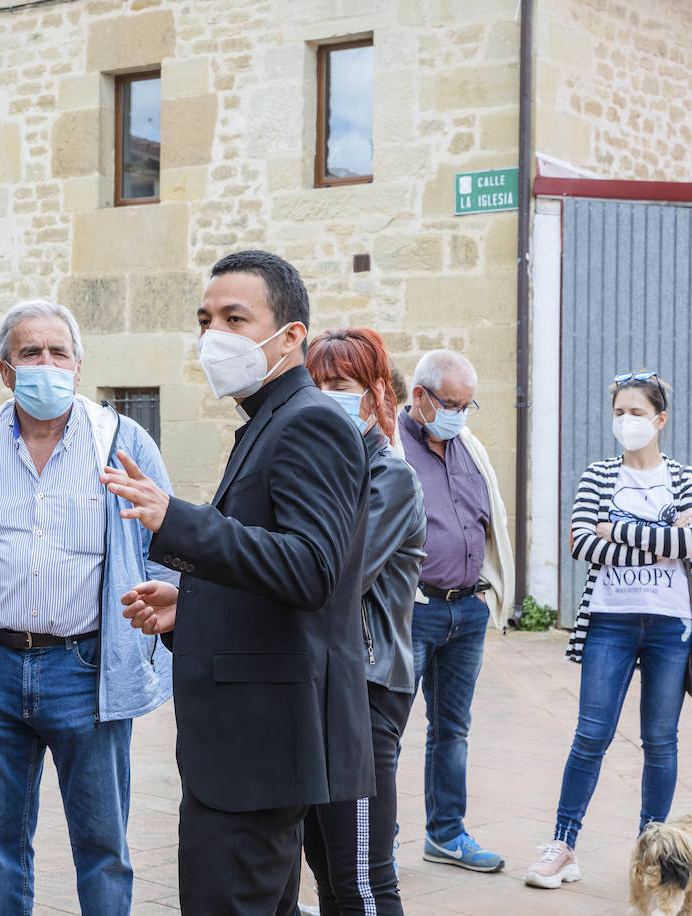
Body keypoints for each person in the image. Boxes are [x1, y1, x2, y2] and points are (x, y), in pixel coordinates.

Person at [105, 250, 374, 915]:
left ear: (290, 337)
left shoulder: (308, 422)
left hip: (258, 753)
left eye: (234, 318)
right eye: (205, 320)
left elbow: (312, 570)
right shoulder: (266, 422)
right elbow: (270, 568)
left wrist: (178, 522)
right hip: (246, 753)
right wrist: (189, 600)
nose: (213, 337)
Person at [0, 300, 175, 915]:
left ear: (78, 363)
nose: (46, 364)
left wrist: (142, 634)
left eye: (57, 352)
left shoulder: (121, 441)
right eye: (30, 353)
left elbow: (167, 543)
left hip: (84, 670)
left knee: (102, 844)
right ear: (6, 370)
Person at [525, 372, 692, 890]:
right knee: (591, 735)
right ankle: (562, 846)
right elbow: (583, 543)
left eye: (636, 412)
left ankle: (653, 856)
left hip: (670, 623)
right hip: (609, 620)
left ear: (660, 419)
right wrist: (659, 539)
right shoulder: (598, 476)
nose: (626, 422)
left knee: (661, 741)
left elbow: (691, 540)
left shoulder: (686, 479)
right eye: (619, 412)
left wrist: (618, 531)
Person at [303, 329, 427, 914]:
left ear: (375, 394)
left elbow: (333, 577)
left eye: (341, 386)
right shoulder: (330, 472)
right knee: (325, 865)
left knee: (362, 878)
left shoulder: (390, 477)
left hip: (367, 687)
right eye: (318, 385)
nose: (327, 396)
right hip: (321, 684)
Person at [398, 349, 514, 873]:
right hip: (412, 611)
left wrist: (487, 588)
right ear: (419, 396)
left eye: (469, 406)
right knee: (385, 731)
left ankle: (446, 834)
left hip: (466, 613)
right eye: (452, 404)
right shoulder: (389, 446)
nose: (460, 416)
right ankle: (378, 846)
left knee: (453, 730)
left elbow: (488, 522)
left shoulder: (470, 446)